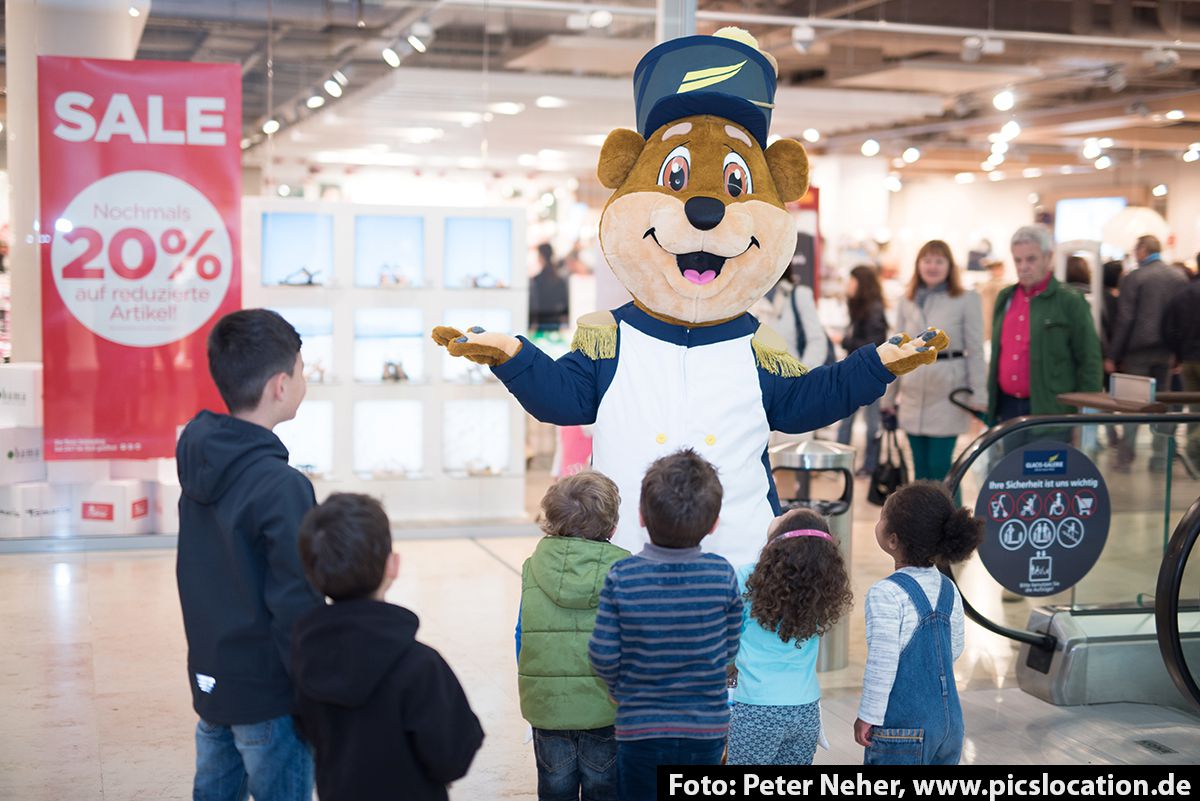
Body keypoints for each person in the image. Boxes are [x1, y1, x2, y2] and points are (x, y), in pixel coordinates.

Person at [176, 309, 322, 801]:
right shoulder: (283, 487)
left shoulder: (200, 458)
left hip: (213, 683)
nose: (304, 380)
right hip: (269, 698)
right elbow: (297, 603)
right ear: (280, 385)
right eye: (302, 370)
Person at [292, 494, 484, 801]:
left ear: (311, 574)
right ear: (392, 565)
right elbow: (454, 757)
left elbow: (306, 729)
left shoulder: (303, 655)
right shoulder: (421, 665)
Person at [588, 450, 741, 801]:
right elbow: (730, 644)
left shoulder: (623, 576)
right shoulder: (721, 574)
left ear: (641, 516)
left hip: (640, 728)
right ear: (714, 523)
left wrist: (616, 686)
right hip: (705, 730)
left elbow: (603, 652)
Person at [516, 471, 630, 801]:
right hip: (605, 708)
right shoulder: (624, 568)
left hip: (547, 705)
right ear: (612, 526)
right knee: (603, 787)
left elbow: (521, 634)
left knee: (554, 787)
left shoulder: (532, 566)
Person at [854, 481, 984, 765]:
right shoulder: (948, 588)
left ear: (892, 540)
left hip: (903, 728)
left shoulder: (886, 593)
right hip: (949, 724)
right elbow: (954, 648)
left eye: (881, 517)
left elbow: (882, 662)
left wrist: (868, 715)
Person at [727, 508, 852, 765]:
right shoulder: (820, 588)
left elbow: (728, 638)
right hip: (805, 710)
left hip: (756, 710)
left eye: (786, 516)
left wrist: (729, 667)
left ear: (777, 543)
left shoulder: (747, 579)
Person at [882, 241, 986, 481]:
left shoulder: (966, 299)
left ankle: (953, 519)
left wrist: (980, 397)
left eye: (939, 261)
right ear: (918, 265)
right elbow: (894, 349)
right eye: (927, 260)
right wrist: (888, 398)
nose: (932, 266)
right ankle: (923, 520)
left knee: (941, 470)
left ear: (950, 266)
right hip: (912, 392)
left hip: (948, 393)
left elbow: (975, 349)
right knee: (919, 472)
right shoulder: (906, 301)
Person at [987, 225, 1102, 427]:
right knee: (1009, 459)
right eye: (1018, 260)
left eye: (1031, 259)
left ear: (1048, 258)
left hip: (1050, 411)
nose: (1023, 266)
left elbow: (1089, 361)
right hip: (1006, 409)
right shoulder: (1005, 298)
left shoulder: (1070, 301)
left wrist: (1086, 417)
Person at [1108, 234, 1188, 471]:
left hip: (1138, 350)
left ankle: (1126, 456)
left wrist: (1113, 354)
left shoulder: (1135, 277)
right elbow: (1182, 320)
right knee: (1162, 402)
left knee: (1134, 403)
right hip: (1166, 349)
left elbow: (1126, 318)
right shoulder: (1179, 276)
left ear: (1143, 250)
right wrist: (1178, 353)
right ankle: (1160, 457)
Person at [836, 266, 890, 475]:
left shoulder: (873, 309)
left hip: (870, 373)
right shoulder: (861, 307)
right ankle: (844, 463)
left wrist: (845, 340)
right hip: (860, 371)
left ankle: (869, 465)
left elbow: (875, 343)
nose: (848, 285)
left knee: (869, 421)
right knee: (849, 418)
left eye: (852, 281)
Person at [750, 274, 832, 368]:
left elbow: (817, 339)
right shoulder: (745, 300)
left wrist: (803, 374)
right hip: (759, 377)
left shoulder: (798, 295)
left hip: (793, 375)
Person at [1163, 271, 1200, 465]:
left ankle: (1195, 459)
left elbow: (1169, 328)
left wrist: (1177, 354)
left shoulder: (1183, 293)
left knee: (1195, 409)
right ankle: (1194, 449)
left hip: (1188, 360)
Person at [529, 242, 570, 332]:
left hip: (540, 325)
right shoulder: (560, 280)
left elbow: (533, 306)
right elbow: (565, 305)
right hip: (556, 324)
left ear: (542, 256)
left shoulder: (536, 280)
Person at [977, 259, 1008, 344]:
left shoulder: (1006, 286)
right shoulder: (986, 286)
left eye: (1000, 269)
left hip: (1000, 322)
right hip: (989, 320)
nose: (999, 271)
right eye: (995, 269)